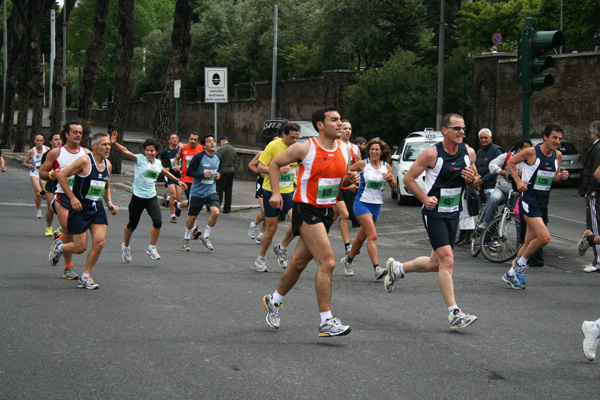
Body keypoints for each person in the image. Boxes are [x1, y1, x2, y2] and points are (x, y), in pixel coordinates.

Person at [262, 106, 357, 337]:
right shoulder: (305, 147)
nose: (339, 123)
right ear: (320, 125)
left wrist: (349, 178)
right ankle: (326, 320)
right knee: (328, 262)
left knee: (298, 264)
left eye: (340, 120)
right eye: (334, 120)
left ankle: (273, 300)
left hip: (326, 212)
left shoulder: (345, 150)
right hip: (306, 210)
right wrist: (275, 193)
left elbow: (337, 179)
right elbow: (274, 164)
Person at [384, 113, 479, 330]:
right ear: (445, 130)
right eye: (457, 128)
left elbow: (477, 180)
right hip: (434, 213)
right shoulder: (431, 154)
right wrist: (425, 198)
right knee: (448, 260)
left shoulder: (469, 153)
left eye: (463, 128)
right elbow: (407, 179)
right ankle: (454, 312)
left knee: (435, 263)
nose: (462, 132)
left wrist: (471, 179)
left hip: (454, 212)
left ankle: (398, 269)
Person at [501, 124, 568, 289]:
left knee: (529, 241)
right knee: (544, 238)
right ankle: (520, 264)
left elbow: (553, 177)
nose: (557, 141)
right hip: (528, 202)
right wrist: (518, 181)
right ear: (545, 137)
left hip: (542, 203)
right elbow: (511, 162)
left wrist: (562, 176)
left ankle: (511, 274)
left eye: (559, 138)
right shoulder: (532, 152)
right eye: (554, 137)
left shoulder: (557, 156)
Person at [48, 133, 119, 289]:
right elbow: (62, 176)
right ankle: (59, 247)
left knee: (100, 243)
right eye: (104, 144)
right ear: (94, 146)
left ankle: (85, 276)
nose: (108, 147)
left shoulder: (108, 164)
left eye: (109, 144)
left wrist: (109, 203)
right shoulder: (85, 161)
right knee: (80, 248)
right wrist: (72, 198)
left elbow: (106, 185)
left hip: (97, 208)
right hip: (80, 208)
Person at [110, 132, 187, 262]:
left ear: (156, 152)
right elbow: (126, 151)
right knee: (132, 225)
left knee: (157, 222)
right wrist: (114, 143)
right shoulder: (139, 159)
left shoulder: (157, 163)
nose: (149, 153)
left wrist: (178, 181)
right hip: (138, 198)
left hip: (151, 197)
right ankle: (126, 246)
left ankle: (151, 247)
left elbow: (164, 172)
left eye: (152, 151)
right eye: (147, 150)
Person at [39, 121, 90, 280]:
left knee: (75, 234)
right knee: (67, 228)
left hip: (80, 198)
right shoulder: (55, 153)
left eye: (80, 132)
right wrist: (52, 175)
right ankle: (69, 267)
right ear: (66, 134)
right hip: (62, 196)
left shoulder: (86, 153)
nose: (78, 135)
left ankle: (59, 244)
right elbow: (42, 172)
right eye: (74, 132)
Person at [340, 137, 396, 279]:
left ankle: (348, 260)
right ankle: (377, 268)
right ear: (368, 151)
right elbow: (346, 174)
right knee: (372, 235)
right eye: (371, 149)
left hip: (376, 205)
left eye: (377, 149)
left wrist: (390, 179)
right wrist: (351, 182)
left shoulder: (386, 166)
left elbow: (394, 185)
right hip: (361, 203)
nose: (374, 151)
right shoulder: (363, 164)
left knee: (361, 237)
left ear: (381, 152)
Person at [254, 124, 299, 272]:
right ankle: (261, 258)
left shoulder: (297, 148)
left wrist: (295, 178)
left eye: (297, 137)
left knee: (298, 223)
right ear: (284, 134)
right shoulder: (273, 146)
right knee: (271, 228)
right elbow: (260, 167)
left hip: (288, 192)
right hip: (271, 191)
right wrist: (278, 169)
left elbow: (296, 167)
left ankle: (282, 247)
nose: (294, 140)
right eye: (292, 137)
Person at [456, 128, 502, 243]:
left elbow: (496, 170)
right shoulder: (479, 152)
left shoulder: (496, 151)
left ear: (491, 138)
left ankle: (494, 238)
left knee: (491, 215)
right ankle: (485, 238)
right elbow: (475, 170)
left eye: (486, 137)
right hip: (481, 189)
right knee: (483, 215)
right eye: (481, 138)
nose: (483, 140)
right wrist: (476, 181)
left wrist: (482, 180)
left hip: (492, 187)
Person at [181, 135, 221, 252]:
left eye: (213, 141)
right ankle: (186, 237)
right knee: (193, 217)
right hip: (197, 192)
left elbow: (219, 169)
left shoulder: (218, 157)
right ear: (204, 146)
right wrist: (202, 175)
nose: (212, 143)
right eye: (209, 142)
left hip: (211, 191)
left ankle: (206, 237)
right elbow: (189, 172)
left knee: (216, 212)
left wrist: (219, 175)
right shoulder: (198, 157)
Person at [481, 139, 532, 227]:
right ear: (519, 149)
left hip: (517, 193)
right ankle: (486, 223)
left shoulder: (528, 161)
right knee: (493, 198)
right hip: (502, 189)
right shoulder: (506, 156)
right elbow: (492, 164)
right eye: (527, 149)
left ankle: (520, 239)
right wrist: (499, 171)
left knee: (518, 216)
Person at [335, 120, 361, 256]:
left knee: (334, 216)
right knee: (344, 215)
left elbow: (358, 168)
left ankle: (319, 235)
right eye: (345, 128)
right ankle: (348, 246)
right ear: (340, 130)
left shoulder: (355, 148)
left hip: (349, 186)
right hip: (337, 186)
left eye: (350, 129)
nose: (348, 131)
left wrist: (354, 182)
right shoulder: (335, 146)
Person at [247, 136, 280, 245]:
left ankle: (262, 234)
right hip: (262, 184)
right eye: (275, 141)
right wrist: (259, 171)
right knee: (265, 211)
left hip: (273, 184)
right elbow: (251, 164)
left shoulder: (281, 154)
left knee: (270, 212)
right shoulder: (262, 153)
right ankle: (255, 224)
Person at [577, 121, 600, 272]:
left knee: (596, 226)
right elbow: (596, 172)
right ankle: (598, 261)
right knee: (595, 226)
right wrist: (591, 191)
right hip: (596, 193)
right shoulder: (598, 147)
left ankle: (590, 240)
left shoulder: (598, 147)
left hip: (595, 192)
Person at [173, 133, 204, 237]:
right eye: (191, 139)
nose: (193, 141)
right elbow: (176, 158)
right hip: (186, 179)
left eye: (195, 139)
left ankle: (179, 205)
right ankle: (194, 228)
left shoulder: (201, 149)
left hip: (197, 179)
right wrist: (176, 166)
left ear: (198, 141)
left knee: (193, 201)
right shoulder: (183, 149)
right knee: (193, 202)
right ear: (188, 139)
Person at [40, 132, 63, 236]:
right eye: (56, 139)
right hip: (50, 183)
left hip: (62, 183)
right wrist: (42, 188)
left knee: (62, 207)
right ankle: (49, 227)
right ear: (50, 142)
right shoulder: (47, 155)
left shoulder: (65, 153)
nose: (58, 141)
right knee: (51, 207)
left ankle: (61, 226)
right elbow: (42, 171)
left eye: (60, 139)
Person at [23, 134, 49, 220]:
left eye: (41, 140)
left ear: (43, 141)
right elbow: (24, 163)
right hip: (34, 173)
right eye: (37, 140)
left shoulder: (47, 150)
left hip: (44, 173)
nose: (39, 142)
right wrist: (29, 165)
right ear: (34, 141)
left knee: (44, 195)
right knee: (38, 192)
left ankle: (49, 209)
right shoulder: (31, 151)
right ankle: (38, 211)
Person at [158, 133, 182, 223]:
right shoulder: (165, 151)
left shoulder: (181, 150)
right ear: (169, 140)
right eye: (173, 138)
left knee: (178, 198)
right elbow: (158, 161)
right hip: (169, 175)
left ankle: (168, 198)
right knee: (174, 194)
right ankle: (173, 215)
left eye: (176, 138)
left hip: (179, 175)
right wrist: (164, 168)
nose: (175, 140)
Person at [216, 135, 236, 214]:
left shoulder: (222, 149)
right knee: (228, 191)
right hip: (231, 170)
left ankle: (217, 206)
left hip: (223, 171)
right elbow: (234, 161)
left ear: (222, 141)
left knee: (219, 190)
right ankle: (227, 208)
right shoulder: (233, 149)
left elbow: (217, 159)